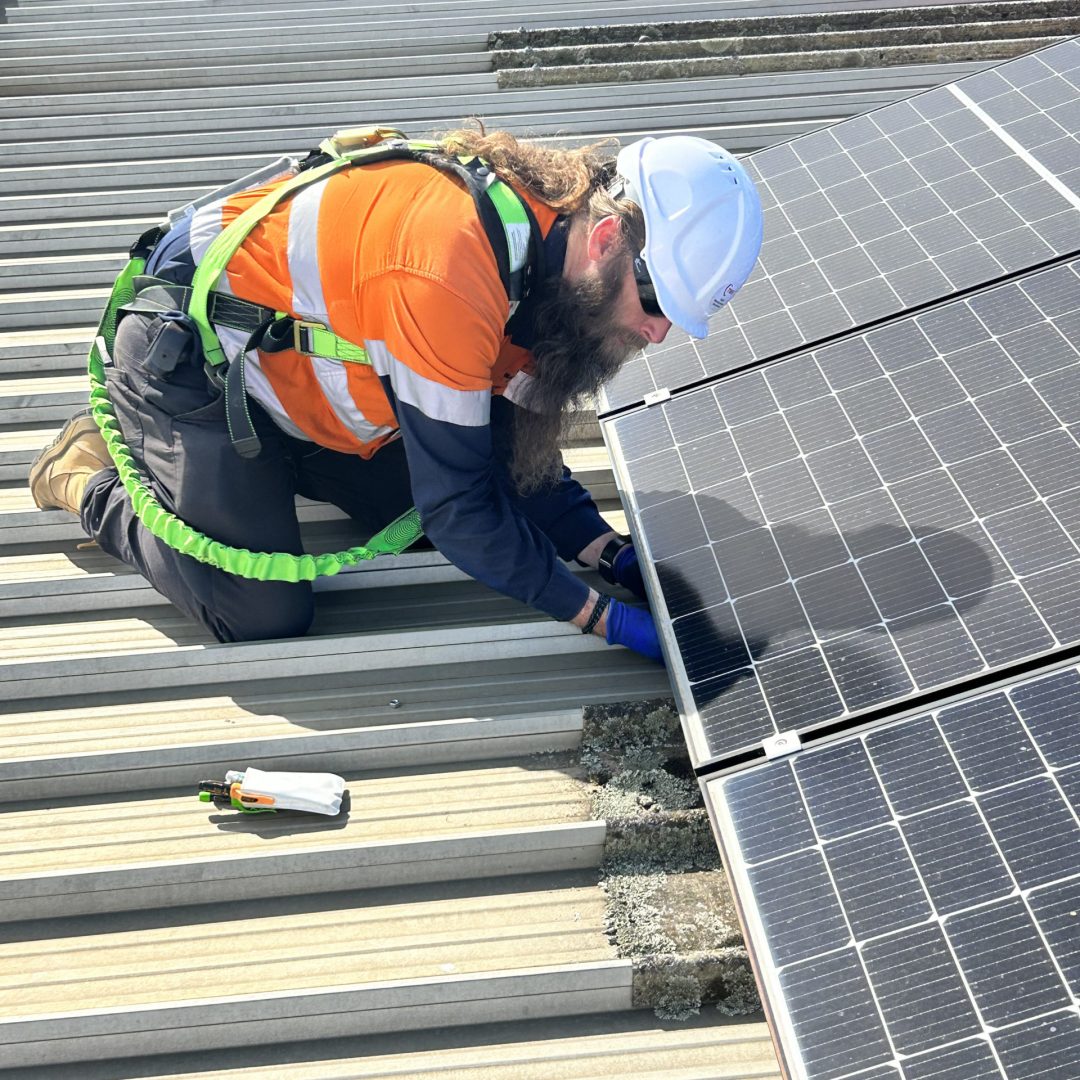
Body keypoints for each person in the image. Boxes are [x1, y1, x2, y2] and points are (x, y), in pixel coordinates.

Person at [29, 128, 763, 661]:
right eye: (657, 300)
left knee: (433, 519)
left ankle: (265, 476)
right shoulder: (448, 268)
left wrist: (604, 549)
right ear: (607, 239)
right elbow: (462, 508)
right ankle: (86, 472)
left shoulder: (550, 268)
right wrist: (603, 619)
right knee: (260, 611)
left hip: (295, 386)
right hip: (191, 363)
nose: (659, 334)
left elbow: (513, 452)